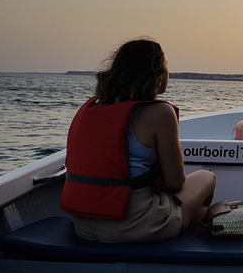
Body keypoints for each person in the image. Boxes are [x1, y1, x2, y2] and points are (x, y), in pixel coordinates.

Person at [60, 38, 216, 242]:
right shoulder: (161, 113)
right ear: (159, 76)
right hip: (133, 224)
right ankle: (186, 236)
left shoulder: (92, 109)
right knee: (208, 177)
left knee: (200, 214)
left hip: (83, 225)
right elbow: (175, 182)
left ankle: (190, 220)